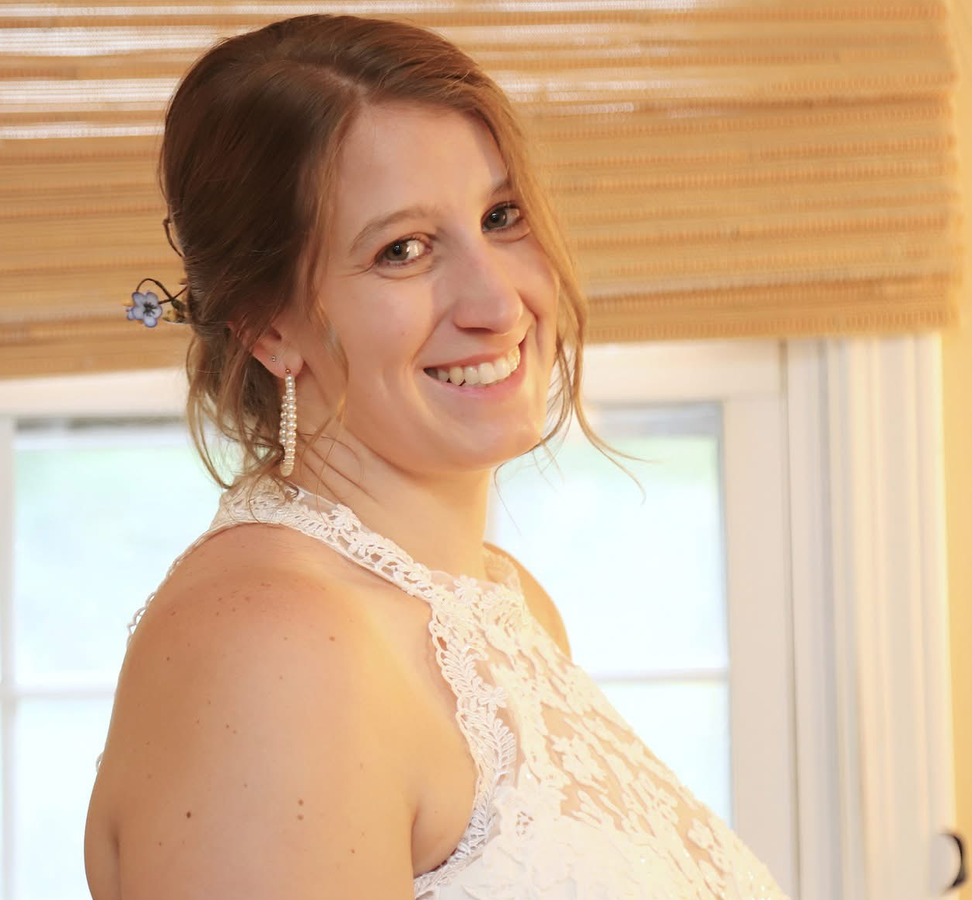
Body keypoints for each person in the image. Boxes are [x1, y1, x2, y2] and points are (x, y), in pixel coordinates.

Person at [86, 14, 791, 900]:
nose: (497, 302)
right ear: (270, 328)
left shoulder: (503, 601)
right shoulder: (273, 652)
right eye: (403, 250)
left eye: (501, 217)